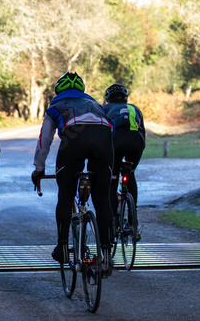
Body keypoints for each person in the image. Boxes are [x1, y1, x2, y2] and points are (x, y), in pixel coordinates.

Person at [31, 72, 115, 276]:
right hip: (103, 140)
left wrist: (39, 168)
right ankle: (106, 254)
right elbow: (110, 131)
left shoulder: (54, 108)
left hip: (73, 142)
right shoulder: (98, 106)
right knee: (103, 199)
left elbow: (45, 141)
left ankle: (61, 247)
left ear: (59, 91)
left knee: (66, 196)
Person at [103, 84, 145, 226]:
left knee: (113, 178)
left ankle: (113, 219)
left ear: (108, 99)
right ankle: (133, 219)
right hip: (137, 141)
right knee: (130, 173)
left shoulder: (105, 109)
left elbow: (102, 131)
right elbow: (142, 132)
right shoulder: (135, 108)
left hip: (116, 141)